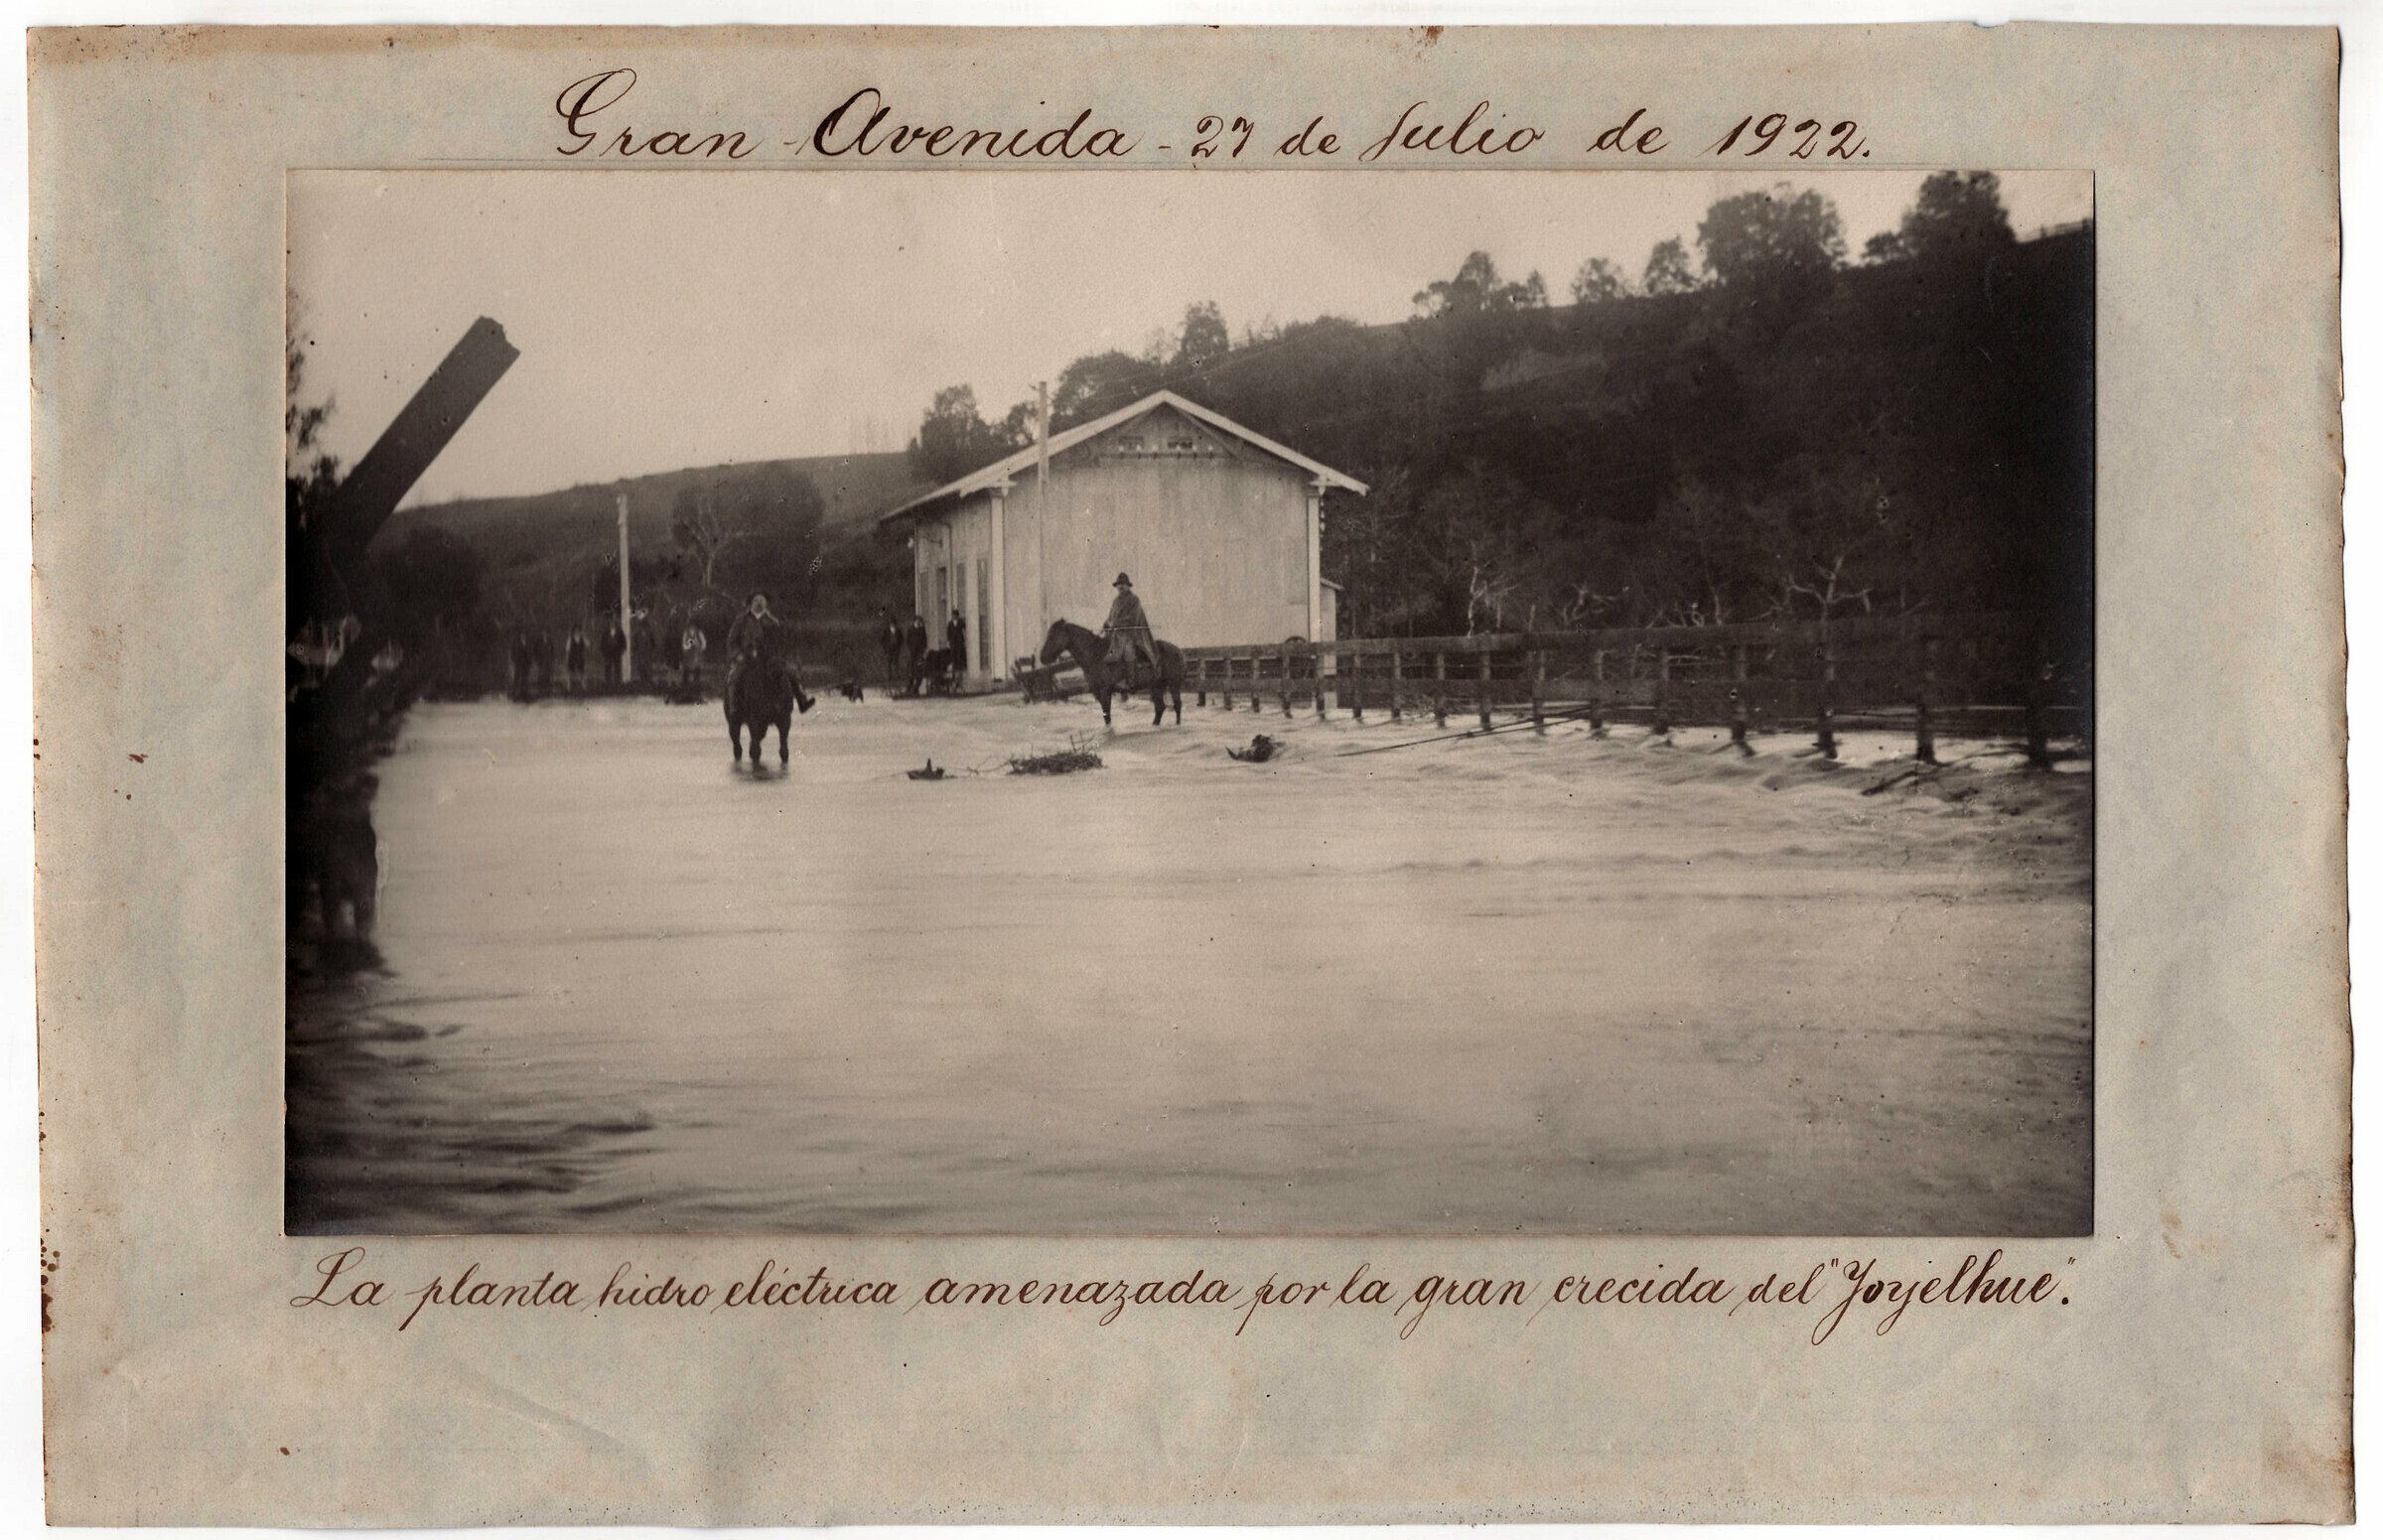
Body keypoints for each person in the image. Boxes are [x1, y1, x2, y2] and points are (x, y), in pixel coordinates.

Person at [1101, 572, 1158, 684]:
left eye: (1123, 584)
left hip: (1132, 633)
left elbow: (1133, 619)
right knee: (1106, 650)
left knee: (1128, 650)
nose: (1120, 587)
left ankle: (1130, 682)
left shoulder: (1134, 600)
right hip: (1116, 634)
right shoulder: (1115, 601)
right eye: (1118, 584)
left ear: (1128, 586)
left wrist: (1115, 623)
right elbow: (1111, 616)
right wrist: (1106, 624)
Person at [879, 608, 905, 687]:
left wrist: (899, 645)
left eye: (893, 623)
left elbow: (901, 639)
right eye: (891, 623)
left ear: (895, 624)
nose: (892, 624)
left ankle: (897, 675)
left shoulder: (898, 630)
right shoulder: (886, 631)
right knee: (888, 662)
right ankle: (889, 676)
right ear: (889, 624)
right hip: (889, 648)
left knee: (896, 662)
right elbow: (882, 639)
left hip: (896, 648)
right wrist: (885, 647)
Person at [905, 614, 929, 696]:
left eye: (919, 621)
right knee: (911, 670)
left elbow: (925, 640)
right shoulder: (911, 629)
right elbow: (907, 640)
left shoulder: (922, 630)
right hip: (912, 652)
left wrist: (924, 650)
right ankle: (909, 687)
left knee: (920, 670)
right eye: (917, 621)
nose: (918, 622)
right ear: (914, 621)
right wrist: (910, 648)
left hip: (920, 652)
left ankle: (916, 687)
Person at [679, 622, 708, 693]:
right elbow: (684, 645)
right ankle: (684, 689)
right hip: (688, 656)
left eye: (694, 627)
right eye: (691, 627)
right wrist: (688, 645)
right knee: (686, 672)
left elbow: (703, 644)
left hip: (696, 656)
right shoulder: (686, 633)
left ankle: (696, 690)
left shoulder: (699, 633)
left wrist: (699, 648)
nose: (692, 628)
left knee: (697, 672)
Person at [600, 620, 626, 686]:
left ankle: (617, 682)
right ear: (609, 625)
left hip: (617, 653)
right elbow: (602, 644)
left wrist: (622, 650)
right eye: (610, 624)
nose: (612, 625)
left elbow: (623, 642)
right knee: (608, 667)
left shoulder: (620, 633)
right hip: (608, 654)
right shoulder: (605, 633)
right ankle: (608, 682)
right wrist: (604, 652)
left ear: (615, 625)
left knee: (617, 667)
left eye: (613, 624)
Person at [945, 608, 969, 678]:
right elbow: (948, 634)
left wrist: (965, 640)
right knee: (953, 657)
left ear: (957, 616)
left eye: (955, 615)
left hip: (959, 642)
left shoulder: (960, 622)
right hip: (953, 643)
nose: (954, 617)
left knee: (960, 656)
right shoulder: (950, 624)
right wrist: (949, 642)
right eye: (953, 615)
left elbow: (965, 628)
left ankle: (960, 673)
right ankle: (953, 673)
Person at [565, 628, 588, 693]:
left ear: (580, 632)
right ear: (573, 632)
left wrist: (584, 637)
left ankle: (583, 685)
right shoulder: (570, 639)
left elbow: (588, 645)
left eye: (578, 631)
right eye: (575, 631)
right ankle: (569, 686)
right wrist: (567, 657)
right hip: (572, 657)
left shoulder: (583, 638)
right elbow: (567, 649)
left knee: (581, 672)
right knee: (570, 672)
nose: (577, 633)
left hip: (580, 657)